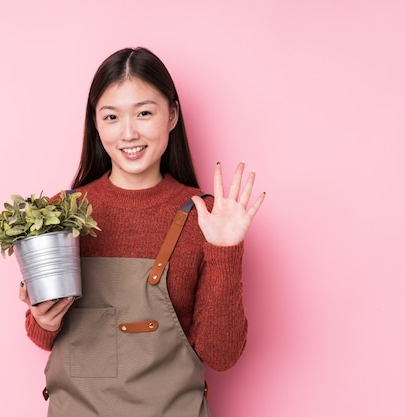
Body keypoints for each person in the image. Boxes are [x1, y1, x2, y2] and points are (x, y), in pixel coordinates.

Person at [18, 47, 264, 417]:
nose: (129, 133)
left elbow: (221, 355)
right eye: (112, 117)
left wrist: (225, 250)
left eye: (144, 113)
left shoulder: (207, 217)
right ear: (95, 123)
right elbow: (43, 337)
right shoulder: (60, 213)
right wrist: (42, 320)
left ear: (172, 115)